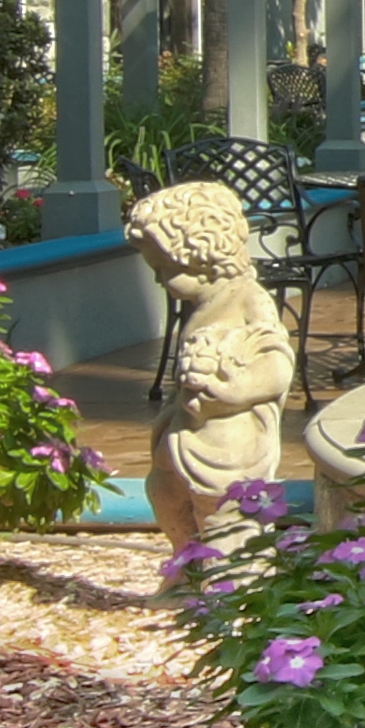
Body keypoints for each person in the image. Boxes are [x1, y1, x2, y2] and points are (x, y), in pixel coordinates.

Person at [128, 177, 294, 558]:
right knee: (165, 494)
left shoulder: (248, 299)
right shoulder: (203, 306)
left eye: (165, 268)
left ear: (203, 257)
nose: (158, 279)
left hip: (227, 442)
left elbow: (277, 363)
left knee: (224, 516)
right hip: (183, 431)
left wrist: (234, 390)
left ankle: (232, 583)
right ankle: (187, 565)